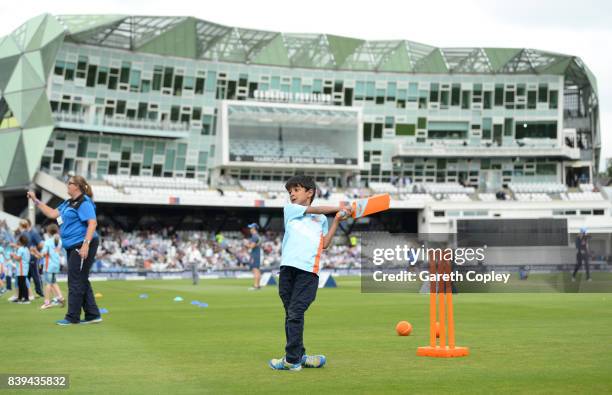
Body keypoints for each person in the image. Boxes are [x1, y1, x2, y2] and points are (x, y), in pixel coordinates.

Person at [269, 175, 352, 371]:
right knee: (291, 315)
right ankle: (300, 356)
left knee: (295, 313)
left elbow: (324, 244)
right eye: (290, 192)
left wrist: (336, 221)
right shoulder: (290, 209)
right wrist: (339, 207)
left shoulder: (322, 219)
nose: (291, 194)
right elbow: (318, 208)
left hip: (308, 272)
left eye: (296, 190)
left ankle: (291, 360)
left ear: (310, 192)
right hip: (287, 269)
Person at [27, 175, 102, 325]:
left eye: (70, 183)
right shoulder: (68, 202)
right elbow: (52, 214)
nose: (67, 185)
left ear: (78, 186)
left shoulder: (84, 202)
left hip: (82, 245)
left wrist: (85, 245)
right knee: (80, 279)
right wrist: (35, 200)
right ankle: (93, 315)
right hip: (73, 245)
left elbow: (92, 224)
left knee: (75, 281)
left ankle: (72, 317)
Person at [40, 224, 65, 309]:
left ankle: (47, 302)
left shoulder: (47, 242)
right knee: (53, 282)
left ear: (48, 232)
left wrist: (36, 252)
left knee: (48, 284)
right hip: (56, 264)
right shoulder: (59, 241)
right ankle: (60, 298)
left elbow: (43, 254)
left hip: (49, 265)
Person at [19, 219, 44, 299]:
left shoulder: (34, 233)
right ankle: (26, 293)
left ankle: (39, 292)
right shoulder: (24, 233)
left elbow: (41, 244)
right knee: (26, 276)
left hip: (33, 257)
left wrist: (35, 250)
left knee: (35, 275)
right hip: (26, 258)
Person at [10, 235, 30, 304]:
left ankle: (26, 299)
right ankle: (20, 298)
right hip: (25, 267)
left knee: (22, 284)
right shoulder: (26, 249)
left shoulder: (21, 249)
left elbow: (18, 258)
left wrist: (13, 255)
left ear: (20, 241)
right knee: (20, 283)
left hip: (21, 268)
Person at [247, 223, 262, 290]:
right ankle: (258, 285)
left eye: (251, 228)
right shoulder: (258, 236)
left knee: (255, 270)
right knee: (257, 270)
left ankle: (256, 286)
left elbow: (252, 246)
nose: (250, 229)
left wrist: (246, 244)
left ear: (254, 228)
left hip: (255, 254)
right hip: (257, 254)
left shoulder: (254, 236)